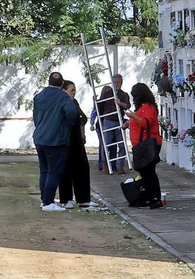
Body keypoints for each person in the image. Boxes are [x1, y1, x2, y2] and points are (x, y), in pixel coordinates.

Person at [32, 71, 80, 212]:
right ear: (62, 83)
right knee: (54, 171)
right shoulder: (63, 97)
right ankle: (48, 202)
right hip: (56, 140)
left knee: (44, 170)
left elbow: (35, 116)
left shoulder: (39, 96)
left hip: (40, 137)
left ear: (49, 81)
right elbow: (71, 112)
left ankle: (44, 200)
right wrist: (67, 125)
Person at [128, 82, 164, 209]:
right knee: (145, 172)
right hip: (140, 144)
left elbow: (147, 123)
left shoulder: (148, 107)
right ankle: (148, 196)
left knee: (149, 172)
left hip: (148, 143)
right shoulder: (141, 108)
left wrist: (133, 116)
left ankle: (155, 197)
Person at [57, 79, 92, 209]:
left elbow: (83, 117)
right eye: (71, 90)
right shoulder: (61, 104)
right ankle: (66, 199)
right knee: (65, 169)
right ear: (64, 91)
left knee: (82, 168)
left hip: (77, 140)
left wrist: (83, 131)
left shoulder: (74, 103)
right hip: (65, 140)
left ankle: (83, 198)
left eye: (74, 91)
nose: (73, 93)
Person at [93, 73, 132, 172]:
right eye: (114, 82)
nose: (116, 84)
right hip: (108, 121)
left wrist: (120, 103)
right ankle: (106, 165)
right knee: (106, 144)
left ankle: (120, 166)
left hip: (119, 121)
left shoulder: (124, 94)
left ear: (121, 83)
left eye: (118, 82)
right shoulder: (107, 93)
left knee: (122, 145)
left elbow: (127, 106)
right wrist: (95, 101)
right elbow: (99, 105)